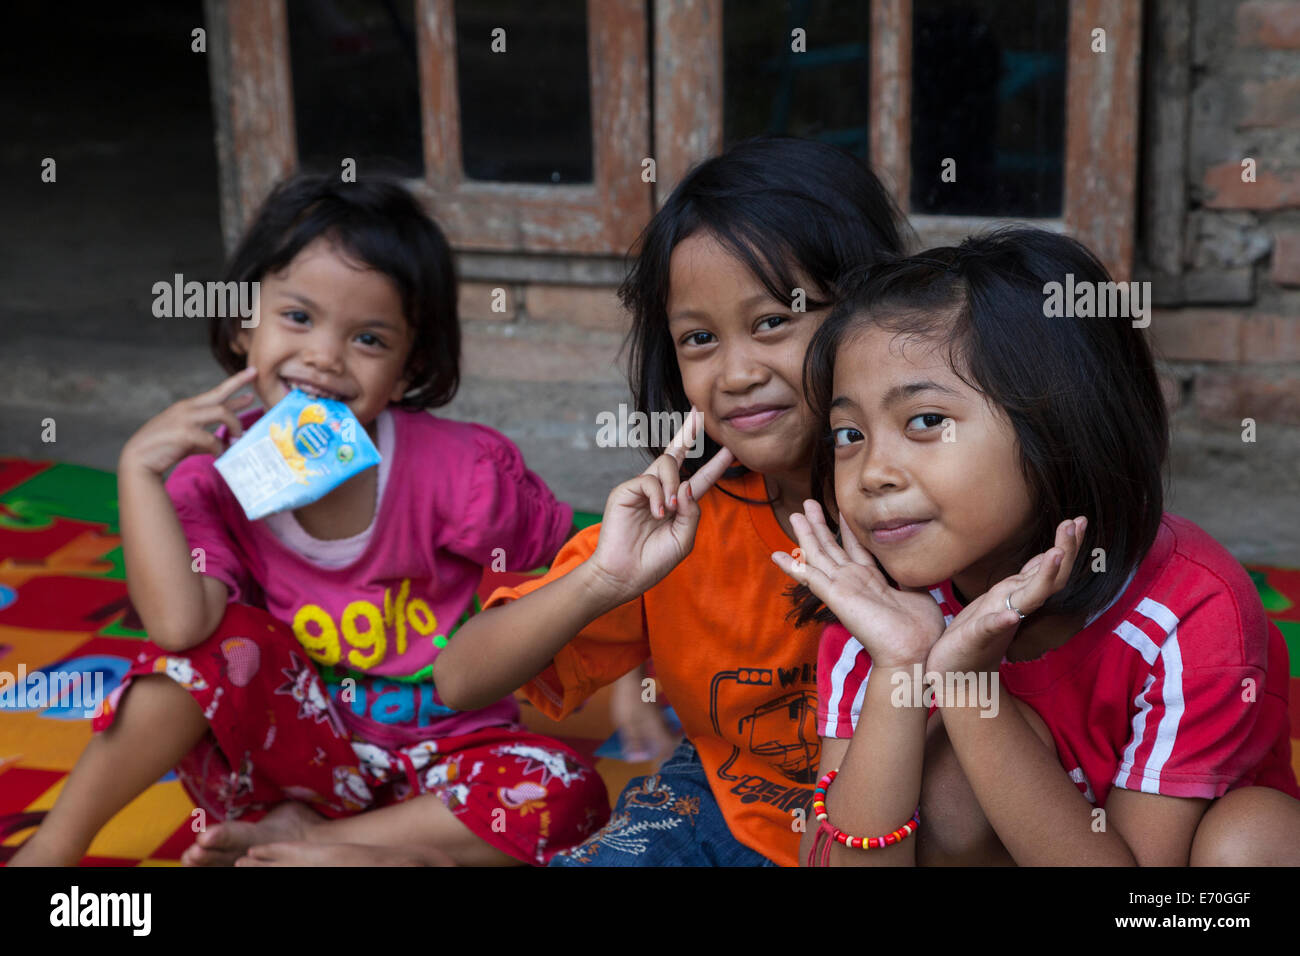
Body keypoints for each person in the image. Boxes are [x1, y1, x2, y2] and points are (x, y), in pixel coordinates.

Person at [12, 173, 609, 868]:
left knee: (571, 793)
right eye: (298, 318)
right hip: (289, 761)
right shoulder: (208, 481)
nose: (324, 356)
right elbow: (179, 630)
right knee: (199, 652)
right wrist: (138, 474)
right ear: (243, 325)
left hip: (447, 759)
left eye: (368, 338)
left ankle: (321, 849)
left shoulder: (461, 472)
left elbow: (584, 563)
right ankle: (54, 844)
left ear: (410, 365)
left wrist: (623, 688)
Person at [432, 136, 908, 867]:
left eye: (774, 321)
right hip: (717, 807)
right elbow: (460, 680)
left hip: (897, 823)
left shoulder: (921, 509)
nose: (737, 372)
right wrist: (604, 580)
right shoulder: (684, 526)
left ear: (870, 308)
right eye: (698, 339)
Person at [776, 228, 1300, 866]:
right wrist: (900, 665)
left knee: (1254, 839)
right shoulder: (882, 603)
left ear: (1059, 425)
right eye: (848, 433)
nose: (871, 473)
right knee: (941, 769)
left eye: (924, 421)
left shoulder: (1190, 610)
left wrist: (969, 684)